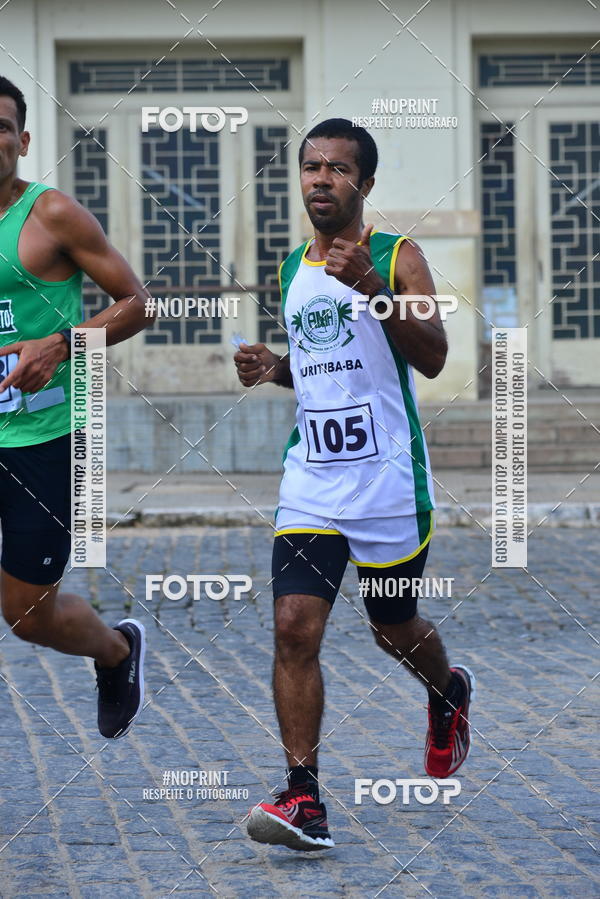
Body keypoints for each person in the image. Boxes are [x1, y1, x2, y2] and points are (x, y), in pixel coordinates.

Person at [234, 118, 474, 851]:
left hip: (388, 482)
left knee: (390, 626)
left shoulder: (398, 256)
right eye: (311, 166)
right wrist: (274, 368)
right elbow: (322, 365)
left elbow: (431, 355)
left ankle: (446, 689)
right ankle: (304, 797)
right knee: (293, 626)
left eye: (338, 168)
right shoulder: (288, 269)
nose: (320, 179)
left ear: (364, 185)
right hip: (312, 477)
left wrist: (372, 284)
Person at [0, 75, 152, 739]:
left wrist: (62, 344)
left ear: (22, 140)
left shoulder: (51, 214)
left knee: (27, 615)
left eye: (1, 127)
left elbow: (136, 302)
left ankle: (116, 649)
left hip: (46, 438)